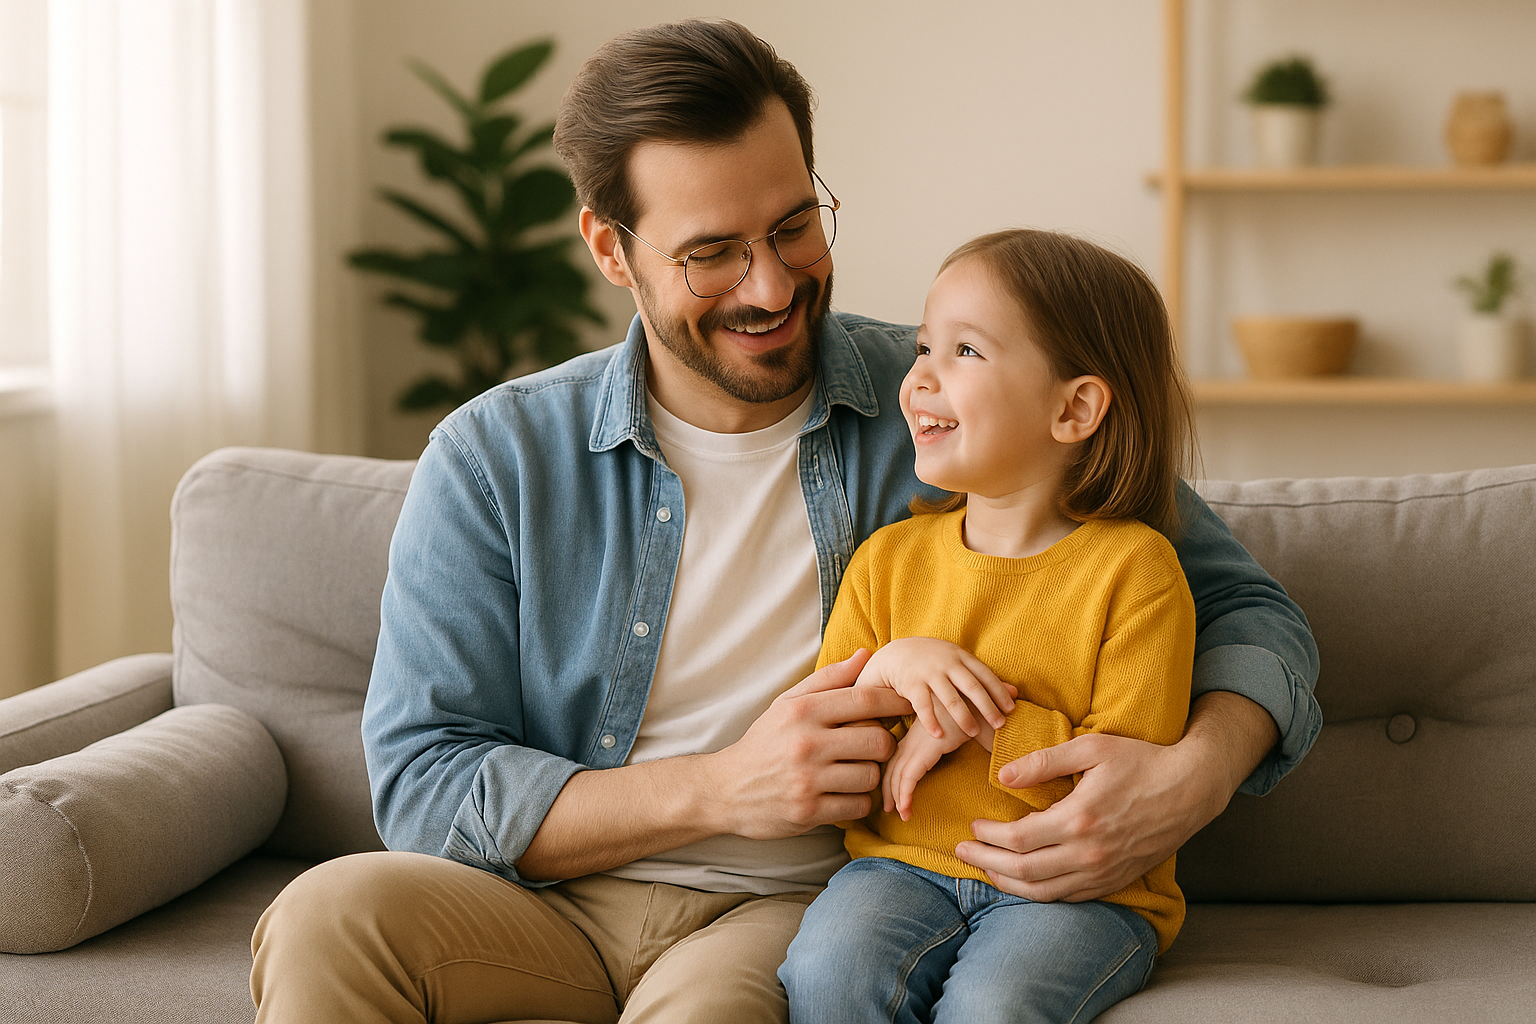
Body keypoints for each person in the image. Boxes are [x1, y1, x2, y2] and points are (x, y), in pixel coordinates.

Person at [249, 19, 1319, 1024]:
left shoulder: (953, 406)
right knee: (324, 918)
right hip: (548, 901)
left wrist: (1192, 774)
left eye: (794, 225)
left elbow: (1247, 609)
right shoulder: (495, 457)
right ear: (611, 249)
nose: (771, 284)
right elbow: (425, 784)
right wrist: (721, 786)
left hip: (789, 910)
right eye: (711, 251)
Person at [778, 228, 1197, 1024]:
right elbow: (829, 742)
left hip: (1079, 891)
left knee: (993, 1008)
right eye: (924, 346)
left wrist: (974, 720)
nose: (920, 376)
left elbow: (1118, 783)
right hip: (898, 871)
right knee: (828, 974)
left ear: (1074, 407)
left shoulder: (1137, 572)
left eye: (964, 352)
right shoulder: (887, 561)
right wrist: (899, 666)